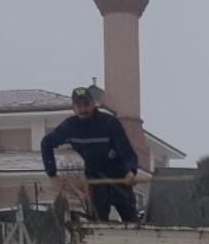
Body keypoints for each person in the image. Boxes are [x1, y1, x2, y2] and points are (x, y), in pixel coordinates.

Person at [41, 87, 140, 222]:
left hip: (120, 179)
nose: (83, 109)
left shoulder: (109, 123)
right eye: (79, 105)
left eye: (86, 104)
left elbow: (127, 152)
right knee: (99, 226)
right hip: (96, 181)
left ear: (93, 104)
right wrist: (52, 173)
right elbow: (46, 143)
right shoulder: (70, 127)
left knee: (132, 224)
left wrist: (131, 171)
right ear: (73, 108)